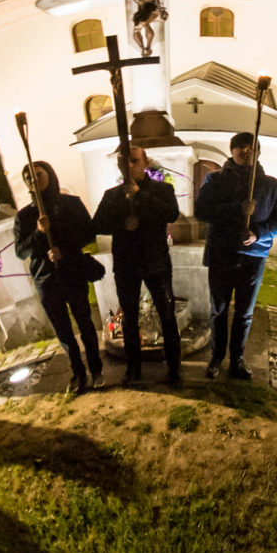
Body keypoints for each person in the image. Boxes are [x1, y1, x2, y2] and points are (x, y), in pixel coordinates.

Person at [193, 131, 277, 380]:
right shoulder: (215, 180)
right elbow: (202, 211)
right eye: (240, 147)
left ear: (258, 152)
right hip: (222, 252)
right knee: (219, 309)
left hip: (253, 257)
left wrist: (259, 232)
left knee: (245, 312)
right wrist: (236, 208)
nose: (246, 152)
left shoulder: (271, 185)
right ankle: (217, 356)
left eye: (251, 148)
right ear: (232, 151)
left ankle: (237, 359)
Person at [90, 146, 183, 385]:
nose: (130, 166)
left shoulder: (162, 189)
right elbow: (97, 224)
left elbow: (171, 214)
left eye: (134, 161)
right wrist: (122, 223)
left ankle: (174, 365)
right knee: (129, 318)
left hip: (155, 262)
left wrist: (140, 196)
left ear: (145, 163)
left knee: (167, 314)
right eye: (125, 162)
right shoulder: (112, 195)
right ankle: (133, 367)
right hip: (126, 264)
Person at [13, 160, 104, 395]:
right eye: (29, 178)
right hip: (46, 280)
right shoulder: (24, 216)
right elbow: (21, 251)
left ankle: (96, 369)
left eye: (38, 174)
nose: (34, 180)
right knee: (63, 330)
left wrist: (64, 248)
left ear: (50, 175)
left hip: (72, 272)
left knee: (85, 322)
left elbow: (88, 233)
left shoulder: (70, 204)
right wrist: (38, 232)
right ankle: (78, 372)